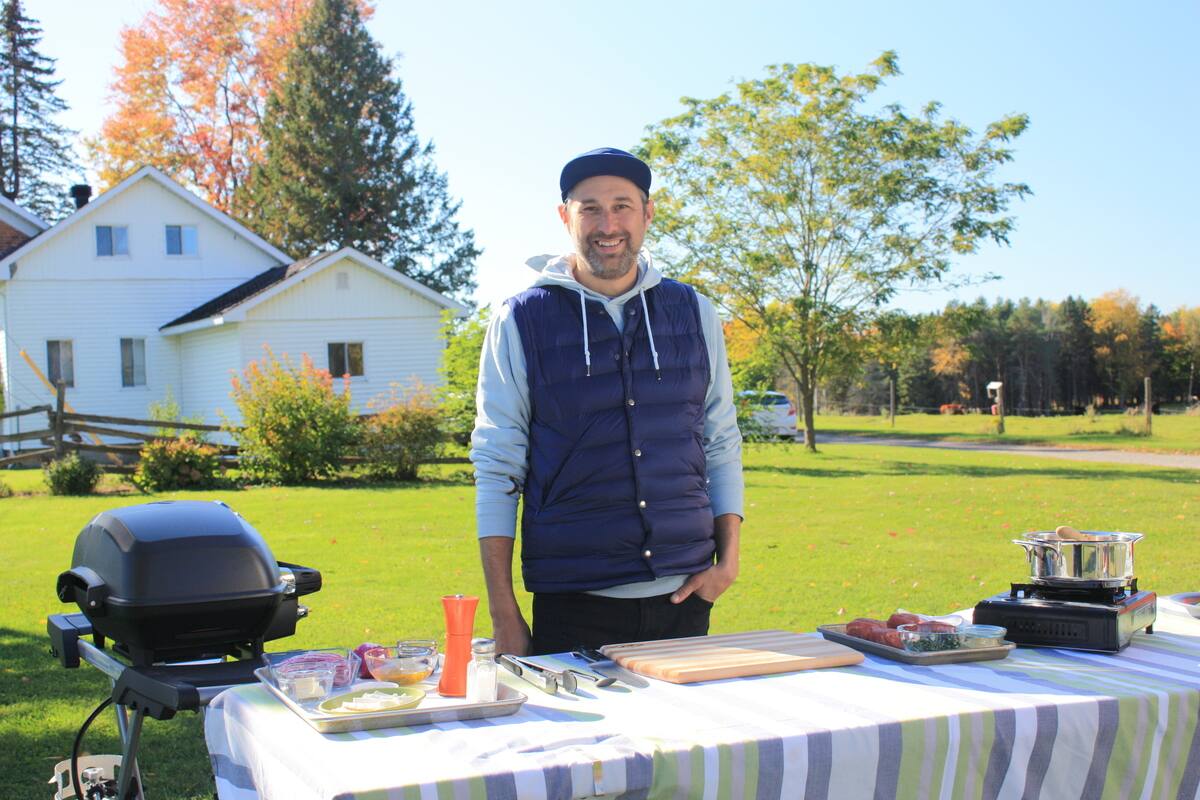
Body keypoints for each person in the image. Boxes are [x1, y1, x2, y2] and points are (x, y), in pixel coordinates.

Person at [470, 147, 744, 656]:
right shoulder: (519, 320)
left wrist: (727, 562)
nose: (607, 223)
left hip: (686, 599)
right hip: (573, 604)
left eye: (622, 205)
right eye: (589, 208)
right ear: (565, 217)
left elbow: (720, 439)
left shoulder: (695, 312)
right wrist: (503, 613)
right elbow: (497, 465)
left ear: (648, 212)